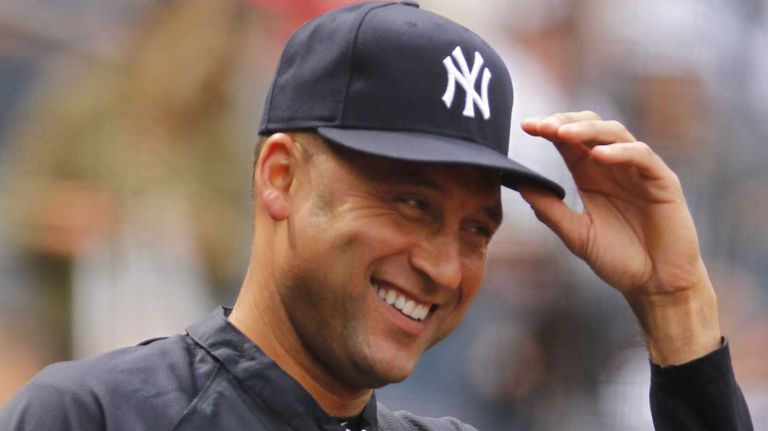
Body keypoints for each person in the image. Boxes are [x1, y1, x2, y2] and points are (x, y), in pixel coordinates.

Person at [0, 2, 754, 430]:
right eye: (412, 202)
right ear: (281, 177)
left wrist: (674, 305)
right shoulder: (95, 416)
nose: (444, 265)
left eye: (476, 229)